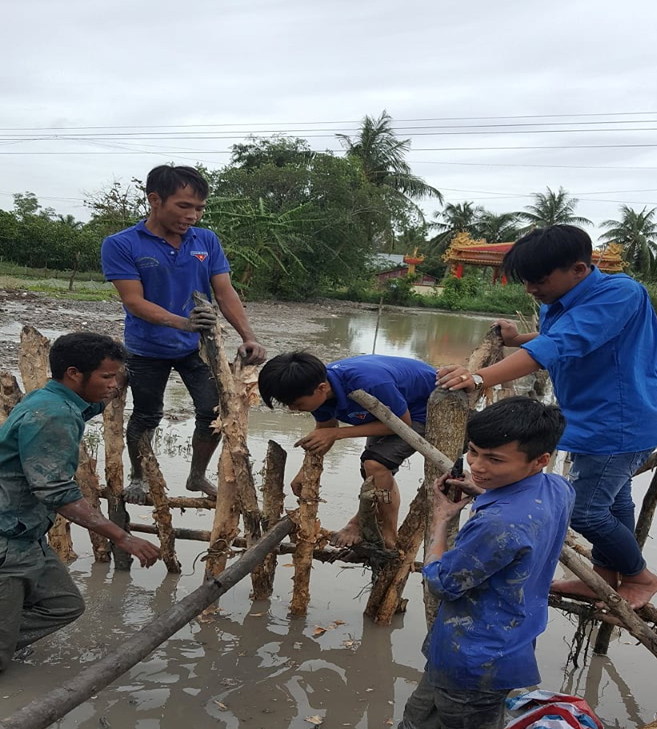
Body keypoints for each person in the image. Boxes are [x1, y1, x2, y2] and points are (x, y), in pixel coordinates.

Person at [436, 224, 657, 609]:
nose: (531, 289)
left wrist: (478, 377)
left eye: (538, 280)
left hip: (621, 422)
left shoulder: (620, 293)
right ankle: (606, 575)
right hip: (591, 418)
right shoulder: (557, 298)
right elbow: (555, 335)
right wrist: (517, 340)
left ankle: (640, 577)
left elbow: (564, 342)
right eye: (527, 280)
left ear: (579, 269)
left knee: (585, 510)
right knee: (613, 503)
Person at [398, 397, 574, 729]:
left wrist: (442, 518)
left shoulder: (498, 524)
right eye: (473, 452)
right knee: (419, 722)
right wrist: (482, 491)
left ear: (539, 459)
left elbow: (441, 581)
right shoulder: (558, 488)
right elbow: (520, 521)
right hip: (497, 636)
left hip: (475, 658)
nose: (476, 466)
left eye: (494, 460)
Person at [101, 164, 266, 504]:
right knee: (147, 414)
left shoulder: (205, 240)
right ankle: (138, 477)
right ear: (155, 200)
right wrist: (182, 322)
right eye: (184, 206)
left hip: (196, 348)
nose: (192, 215)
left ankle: (196, 475)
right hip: (146, 348)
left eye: (199, 208)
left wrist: (248, 335)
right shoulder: (121, 244)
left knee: (214, 411)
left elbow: (225, 292)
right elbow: (133, 301)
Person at [0, 332, 161, 673]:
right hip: (8, 542)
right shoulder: (53, 416)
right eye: (106, 377)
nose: (113, 384)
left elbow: (93, 403)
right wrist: (122, 536)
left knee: (64, 604)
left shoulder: (53, 399)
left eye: (116, 377)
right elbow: (56, 492)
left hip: (24, 535)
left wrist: (136, 361)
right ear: (74, 373)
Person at [258, 351, 436, 549]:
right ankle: (362, 521)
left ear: (322, 388)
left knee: (375, 464)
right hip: (387, 412)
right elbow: (325, 429)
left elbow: (402, 424)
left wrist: (337, 434)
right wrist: (304, 473)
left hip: (423, 408)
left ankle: (388, 535)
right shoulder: (317, 389)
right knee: (371, 470)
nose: (293, 409)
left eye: (297, 404)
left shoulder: (370, 384)